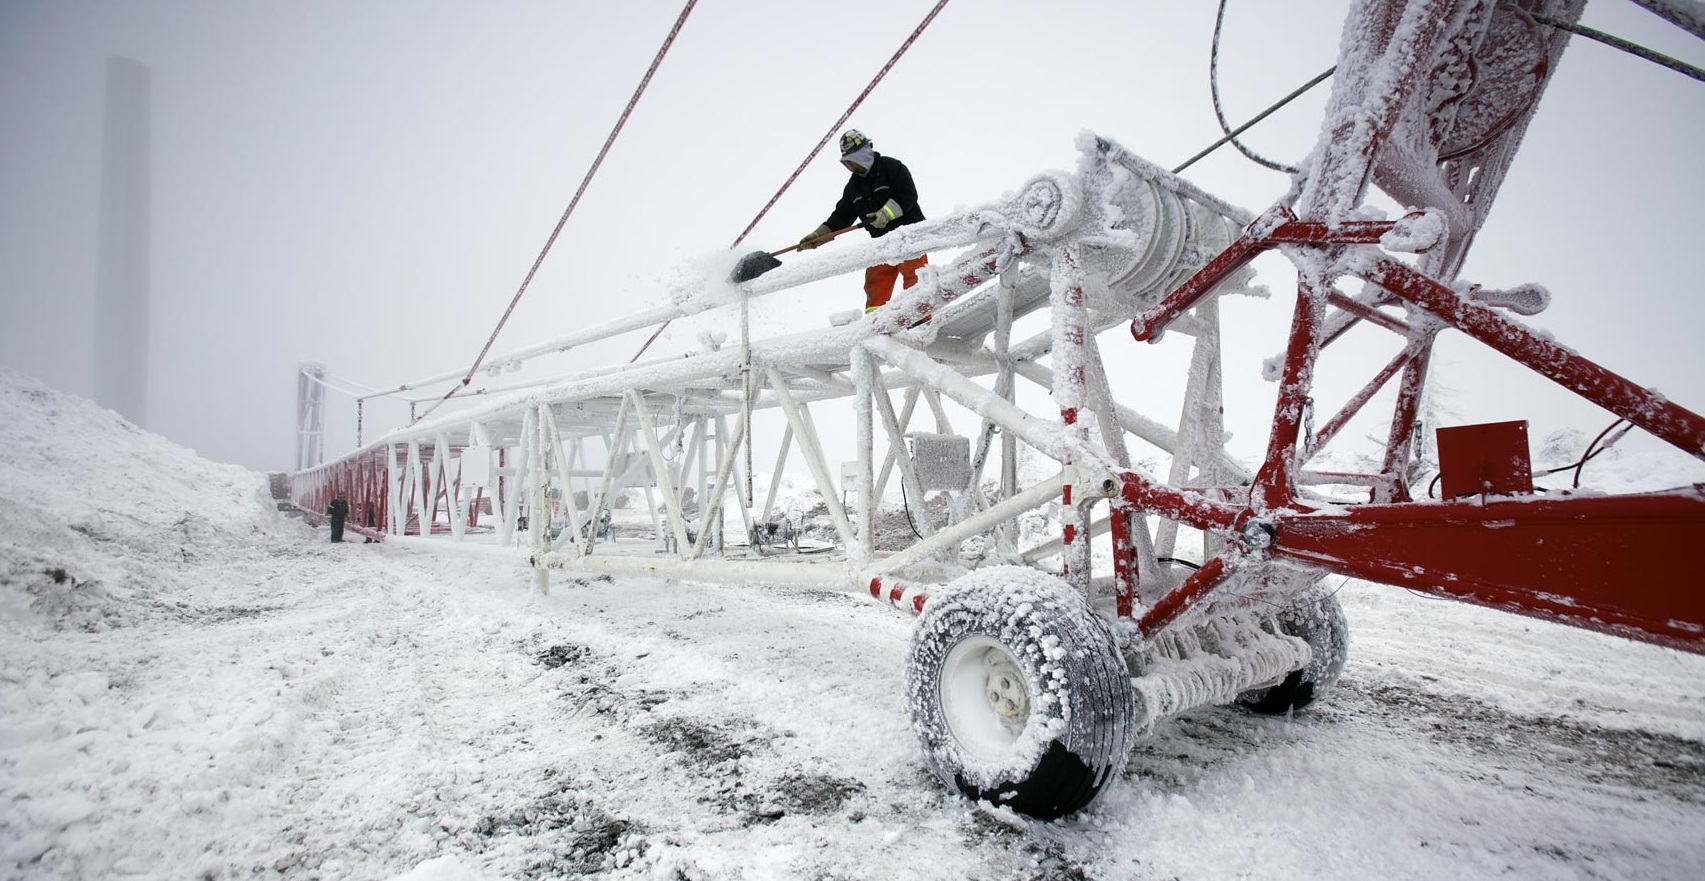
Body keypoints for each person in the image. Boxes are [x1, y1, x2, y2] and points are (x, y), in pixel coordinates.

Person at [799, 129, 927, 313]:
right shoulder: (854, 187)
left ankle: (919, 322)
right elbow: (842, 216)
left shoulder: (892, 167)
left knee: (915, 278)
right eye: (847, 164)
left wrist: (886, 214)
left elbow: (908, 195)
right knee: (876, 282)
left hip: (910, 236)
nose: (851, 167)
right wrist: (819, 236)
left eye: (852, 161)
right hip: (882, 242)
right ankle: (877, 328)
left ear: (863, 154)